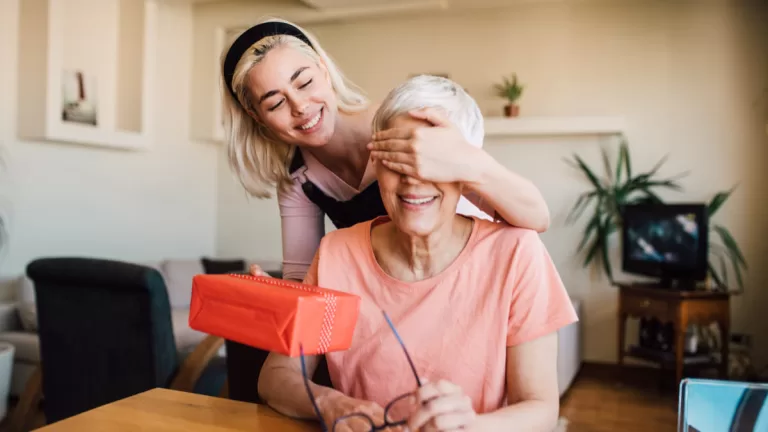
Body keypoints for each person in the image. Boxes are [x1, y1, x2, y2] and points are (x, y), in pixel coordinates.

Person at [257, 75, 578, 432]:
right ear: (376, 163)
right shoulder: (336, 253)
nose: (414, 179)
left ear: (467, 174)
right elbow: (276, 376)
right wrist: (332, 404)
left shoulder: (516, 253)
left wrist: (469, 426)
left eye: (435, 163)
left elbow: (540, 409)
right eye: (399, 159)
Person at [220, 18, 552, 282]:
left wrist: (465, 160)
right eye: (276, 102)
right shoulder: (299, 180)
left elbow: (536, 217)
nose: (301, 107)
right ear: (256, 116)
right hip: (400, 292)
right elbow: (306, 280)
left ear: (323, 68)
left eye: (304, 82)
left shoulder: (404, 123)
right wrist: (277, 293)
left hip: (476, 275)